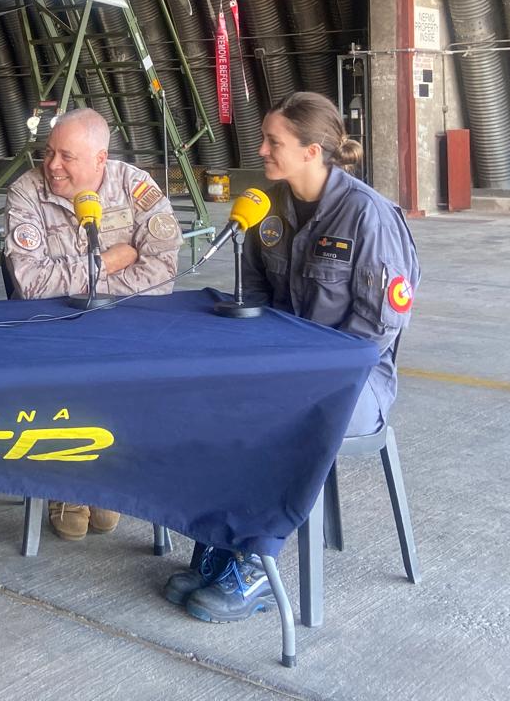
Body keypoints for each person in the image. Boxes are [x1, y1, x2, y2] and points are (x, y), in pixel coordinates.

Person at [166, 90, 419, 624]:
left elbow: (376, 329)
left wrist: (301, 377)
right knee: (217, 404)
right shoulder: (268, 206)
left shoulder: (367, 215)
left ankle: (258, 564)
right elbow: (255, 297)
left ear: (312, 150)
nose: (261, 150)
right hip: (284, 371)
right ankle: (222, 542)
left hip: (354, 381)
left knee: (275, 419)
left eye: (272, 141)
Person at [3, 107, 181, 541]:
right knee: (61, 382)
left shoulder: (135, 186)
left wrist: (89, 287)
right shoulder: (27, 192)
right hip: (52, 330)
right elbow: (32, 284)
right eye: (49, 152)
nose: (53, 165)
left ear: (101, 159)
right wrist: (111, 261)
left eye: (67, 156)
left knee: (141, 382)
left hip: (123, 326)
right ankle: (65, 484)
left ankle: (106, 476)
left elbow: (164, 272)